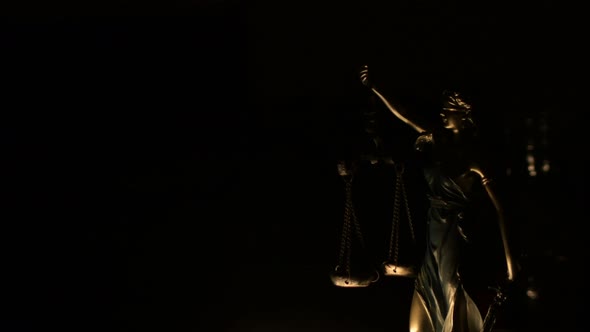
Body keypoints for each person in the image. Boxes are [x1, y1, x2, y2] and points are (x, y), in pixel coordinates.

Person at [359, 65, 518, 332]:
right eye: (442, 108)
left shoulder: (475, 159)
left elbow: (502, 211)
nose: (442, 113)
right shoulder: (437, 141)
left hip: (456, 241)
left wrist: (511, 267)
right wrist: (375, 87)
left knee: (454, 311)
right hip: (432, 240)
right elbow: (405, 116)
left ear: (465, 116)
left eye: (449, 110)